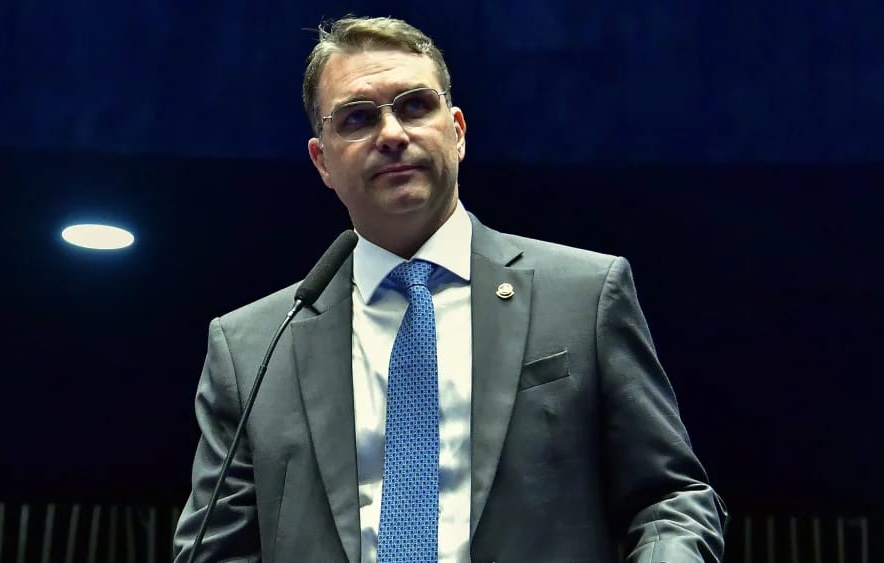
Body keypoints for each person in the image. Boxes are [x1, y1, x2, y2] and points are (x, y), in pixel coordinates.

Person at [173, 15, 726, 563]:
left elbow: (671, 500)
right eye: (358, 118)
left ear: (457, 131)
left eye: (415, 106)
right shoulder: (253, 348)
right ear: (322, 161)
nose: (392, 134)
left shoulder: (584, 296)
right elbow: (213, 551)